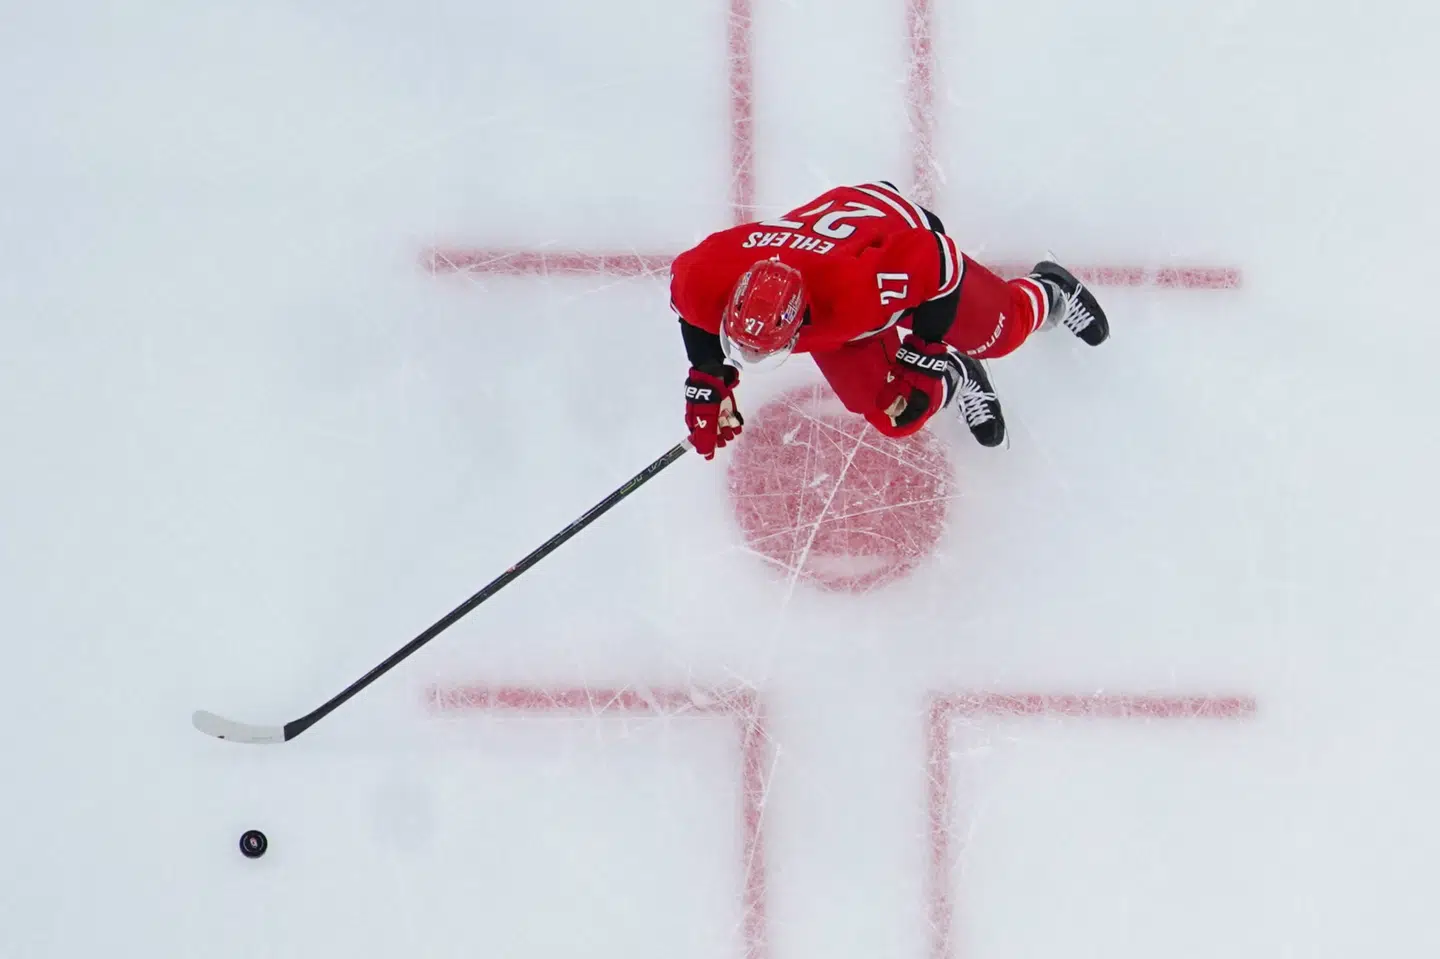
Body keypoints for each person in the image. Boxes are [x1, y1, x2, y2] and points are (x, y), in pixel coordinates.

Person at [668, 180, 1109, 459]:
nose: (748, 354)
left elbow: (939, 260)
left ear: (801, 321)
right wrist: (708, 374)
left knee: (1001, 333)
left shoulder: (855, 293)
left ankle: (1051, 290)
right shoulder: (701, 284)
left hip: (896, 239)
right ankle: (957, 374)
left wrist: (924, 351)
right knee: (894, 415)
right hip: (843, 272)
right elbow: (695, 315)